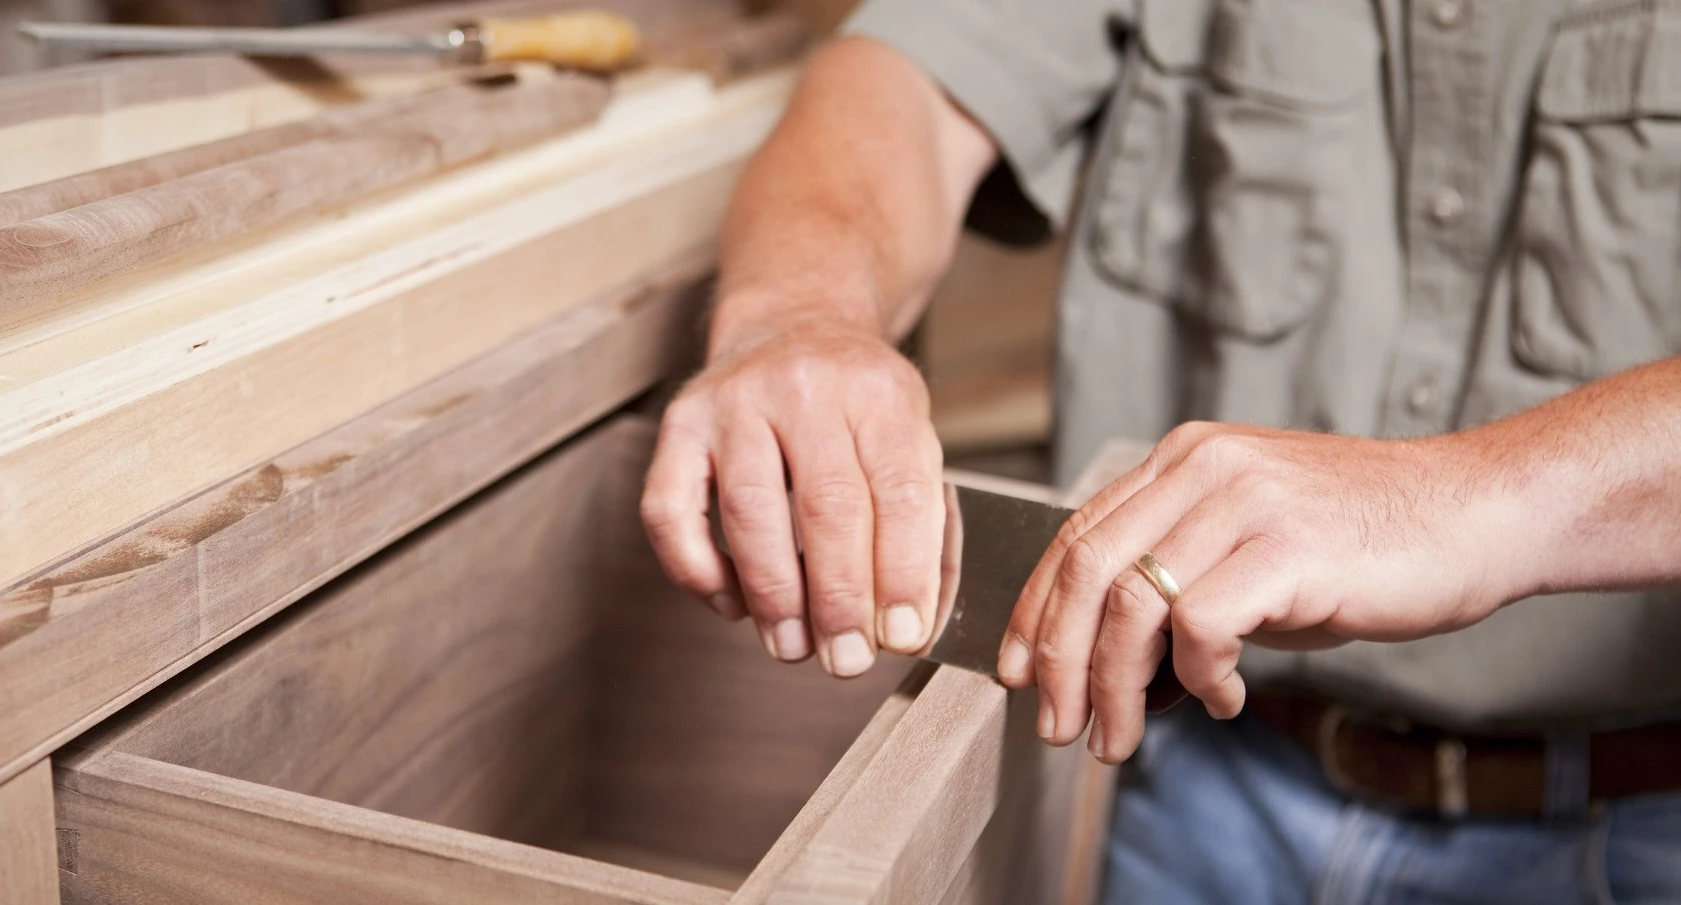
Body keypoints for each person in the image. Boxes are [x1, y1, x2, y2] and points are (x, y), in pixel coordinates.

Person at [636, 0, 1681, 902]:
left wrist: (1461, 498)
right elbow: (905, 78)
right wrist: (797, 308)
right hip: (1188, 776)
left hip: (1639, 821)